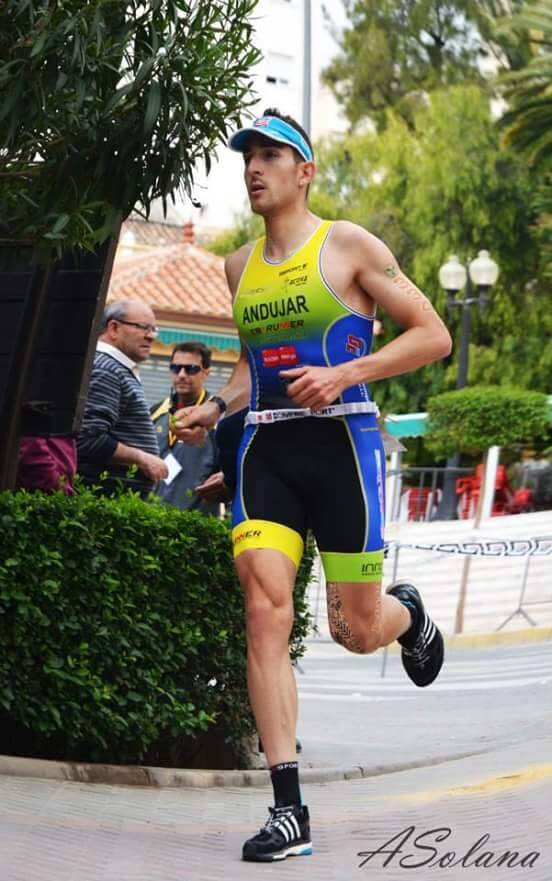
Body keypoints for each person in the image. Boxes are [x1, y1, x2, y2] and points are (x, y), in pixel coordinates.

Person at [173, 108, 452, 862]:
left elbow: (433, 333)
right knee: (263, 607)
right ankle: (288, 807)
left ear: (306, 172)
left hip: (344, 442)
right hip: (265, 446)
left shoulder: (349, 245)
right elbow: (248, 363)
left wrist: (344, 372)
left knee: (355, 630)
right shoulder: (237, 266)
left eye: (271, 155)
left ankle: (410, 617)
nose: (254, 168)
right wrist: (214, 405)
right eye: (247, 157)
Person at [77, 300, 169, 496]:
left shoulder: (114, 367)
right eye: (143, 327)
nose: (151, 336)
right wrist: (142, 458)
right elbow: (88, 438)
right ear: (114, 328)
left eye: (154, 329)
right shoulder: (107, 369)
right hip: (101, 499)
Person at [151, 342, 219, 513]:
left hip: (193, 527)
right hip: (149, 520)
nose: (181, 375)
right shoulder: (154, 413)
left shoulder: (219, 420)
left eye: (190, 369)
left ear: (206, 373)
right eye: (175, 368)